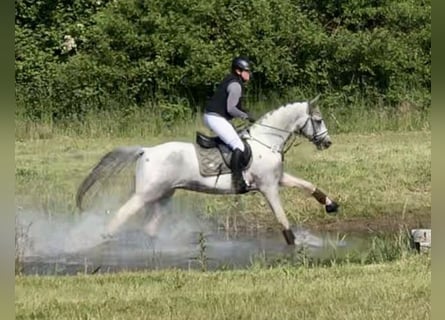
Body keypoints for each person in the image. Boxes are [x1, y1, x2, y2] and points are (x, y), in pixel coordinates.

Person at [203, 56, 256, 193]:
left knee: (238, 137)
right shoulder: (236, 85)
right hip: (215, 117)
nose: (249, 74)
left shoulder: (231, 80)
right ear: (238, 71)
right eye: (246, 71)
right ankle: (238, 182)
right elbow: (231, 109)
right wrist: (246, 116)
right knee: (238, 145)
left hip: (214, 116)